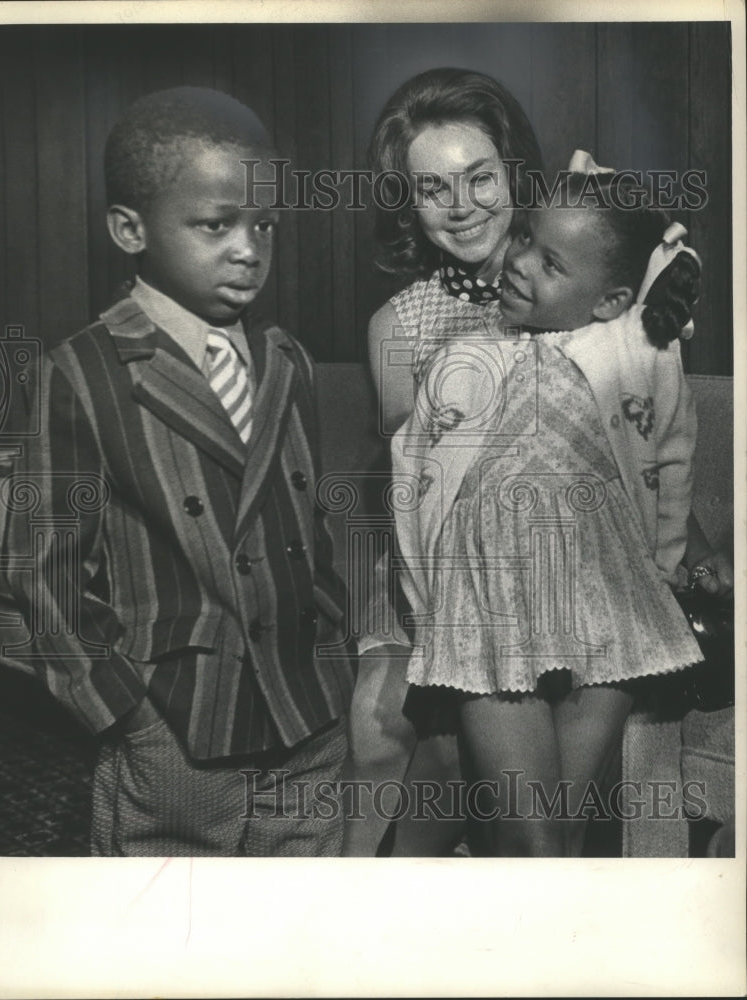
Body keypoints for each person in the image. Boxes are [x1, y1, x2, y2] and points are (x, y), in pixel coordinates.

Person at [3, 87, 356, 857]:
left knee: (303, 946)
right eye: (215, 224)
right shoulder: (84, 371)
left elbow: (308, 526)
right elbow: (42, 568)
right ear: (130, 228)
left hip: (310, 720)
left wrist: (337, 647)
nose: (248, 248)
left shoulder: (286, 360)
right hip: (179, 733)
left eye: (263, 224)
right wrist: (125, 714)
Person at [391, 163, 721, 856]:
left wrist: (667, 562)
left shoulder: (633, 350)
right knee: (533, 844)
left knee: (562, 840)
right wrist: (428, 605)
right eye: (526, 241)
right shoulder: (466, 357)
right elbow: (413, 481)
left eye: (551, 263)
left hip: (610, 600)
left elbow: (672, 458)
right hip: (490, 603)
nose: (519, 264)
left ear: (610, 301)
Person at [341, 67, 544, 857]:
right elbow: (416, 495)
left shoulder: (581, 282)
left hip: (559, 551)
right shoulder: (398, 321)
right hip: (434, 568)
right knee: (394, 709)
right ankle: (370, 891)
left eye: (480, 177)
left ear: (514, 174)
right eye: (433, 188)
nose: (462, 208)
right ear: (408, 203)